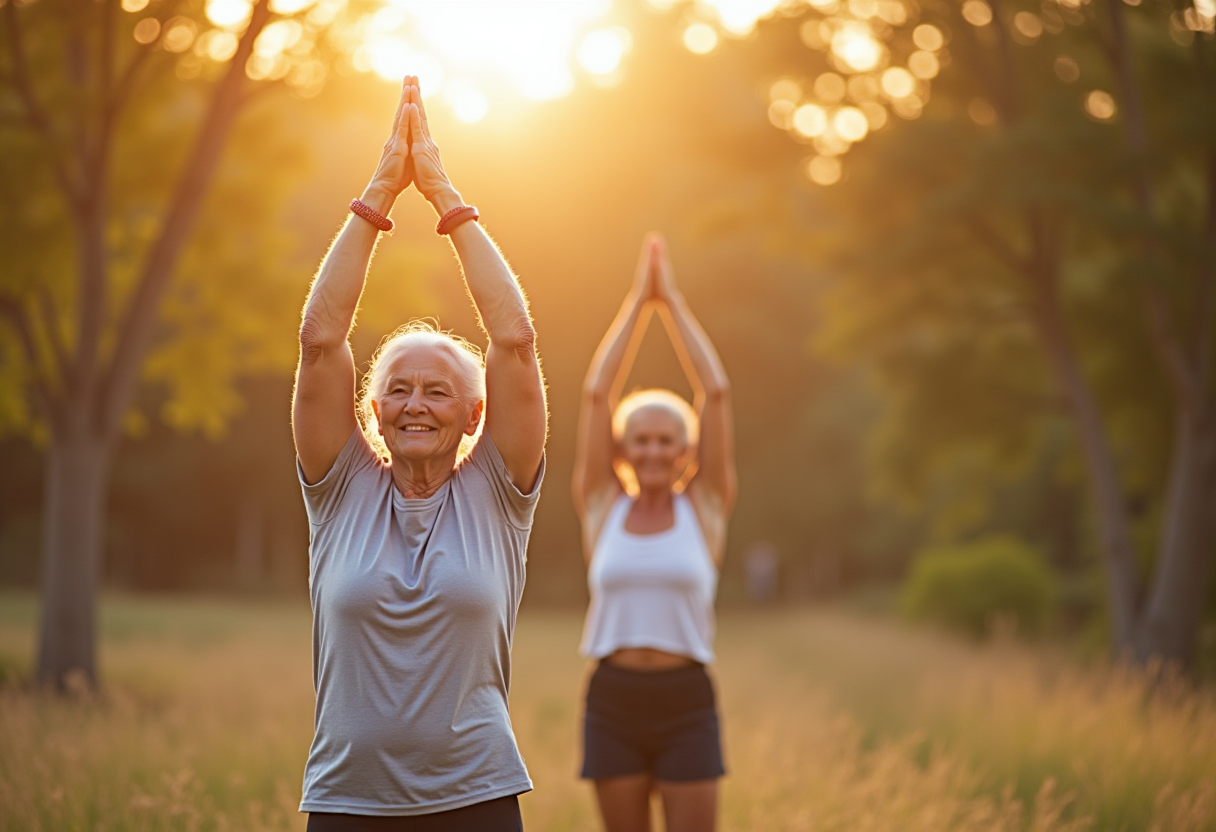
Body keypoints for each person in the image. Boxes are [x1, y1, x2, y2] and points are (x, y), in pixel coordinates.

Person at [292, 76, 547, 831]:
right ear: (372, 410)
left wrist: (444, 198)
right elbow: (319, 340)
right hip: (346, 802)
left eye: (438, 393)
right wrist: (377, 196)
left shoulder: (497, 493)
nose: (415, 405)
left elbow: (515, 341)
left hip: (476, 800)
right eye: (399, 390)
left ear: (475, 415)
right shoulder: (338, 491)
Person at [572, 233, 737, 832]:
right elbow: (596, 393)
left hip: (686, 700)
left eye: (667, 438)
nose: (653, 449)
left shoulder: (707, 506)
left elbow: (715, 392)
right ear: (622, 446)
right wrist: (637, 303)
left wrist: (672, 304)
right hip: (612, 700)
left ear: (686, 449)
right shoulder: (600, 504)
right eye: (640, 437)